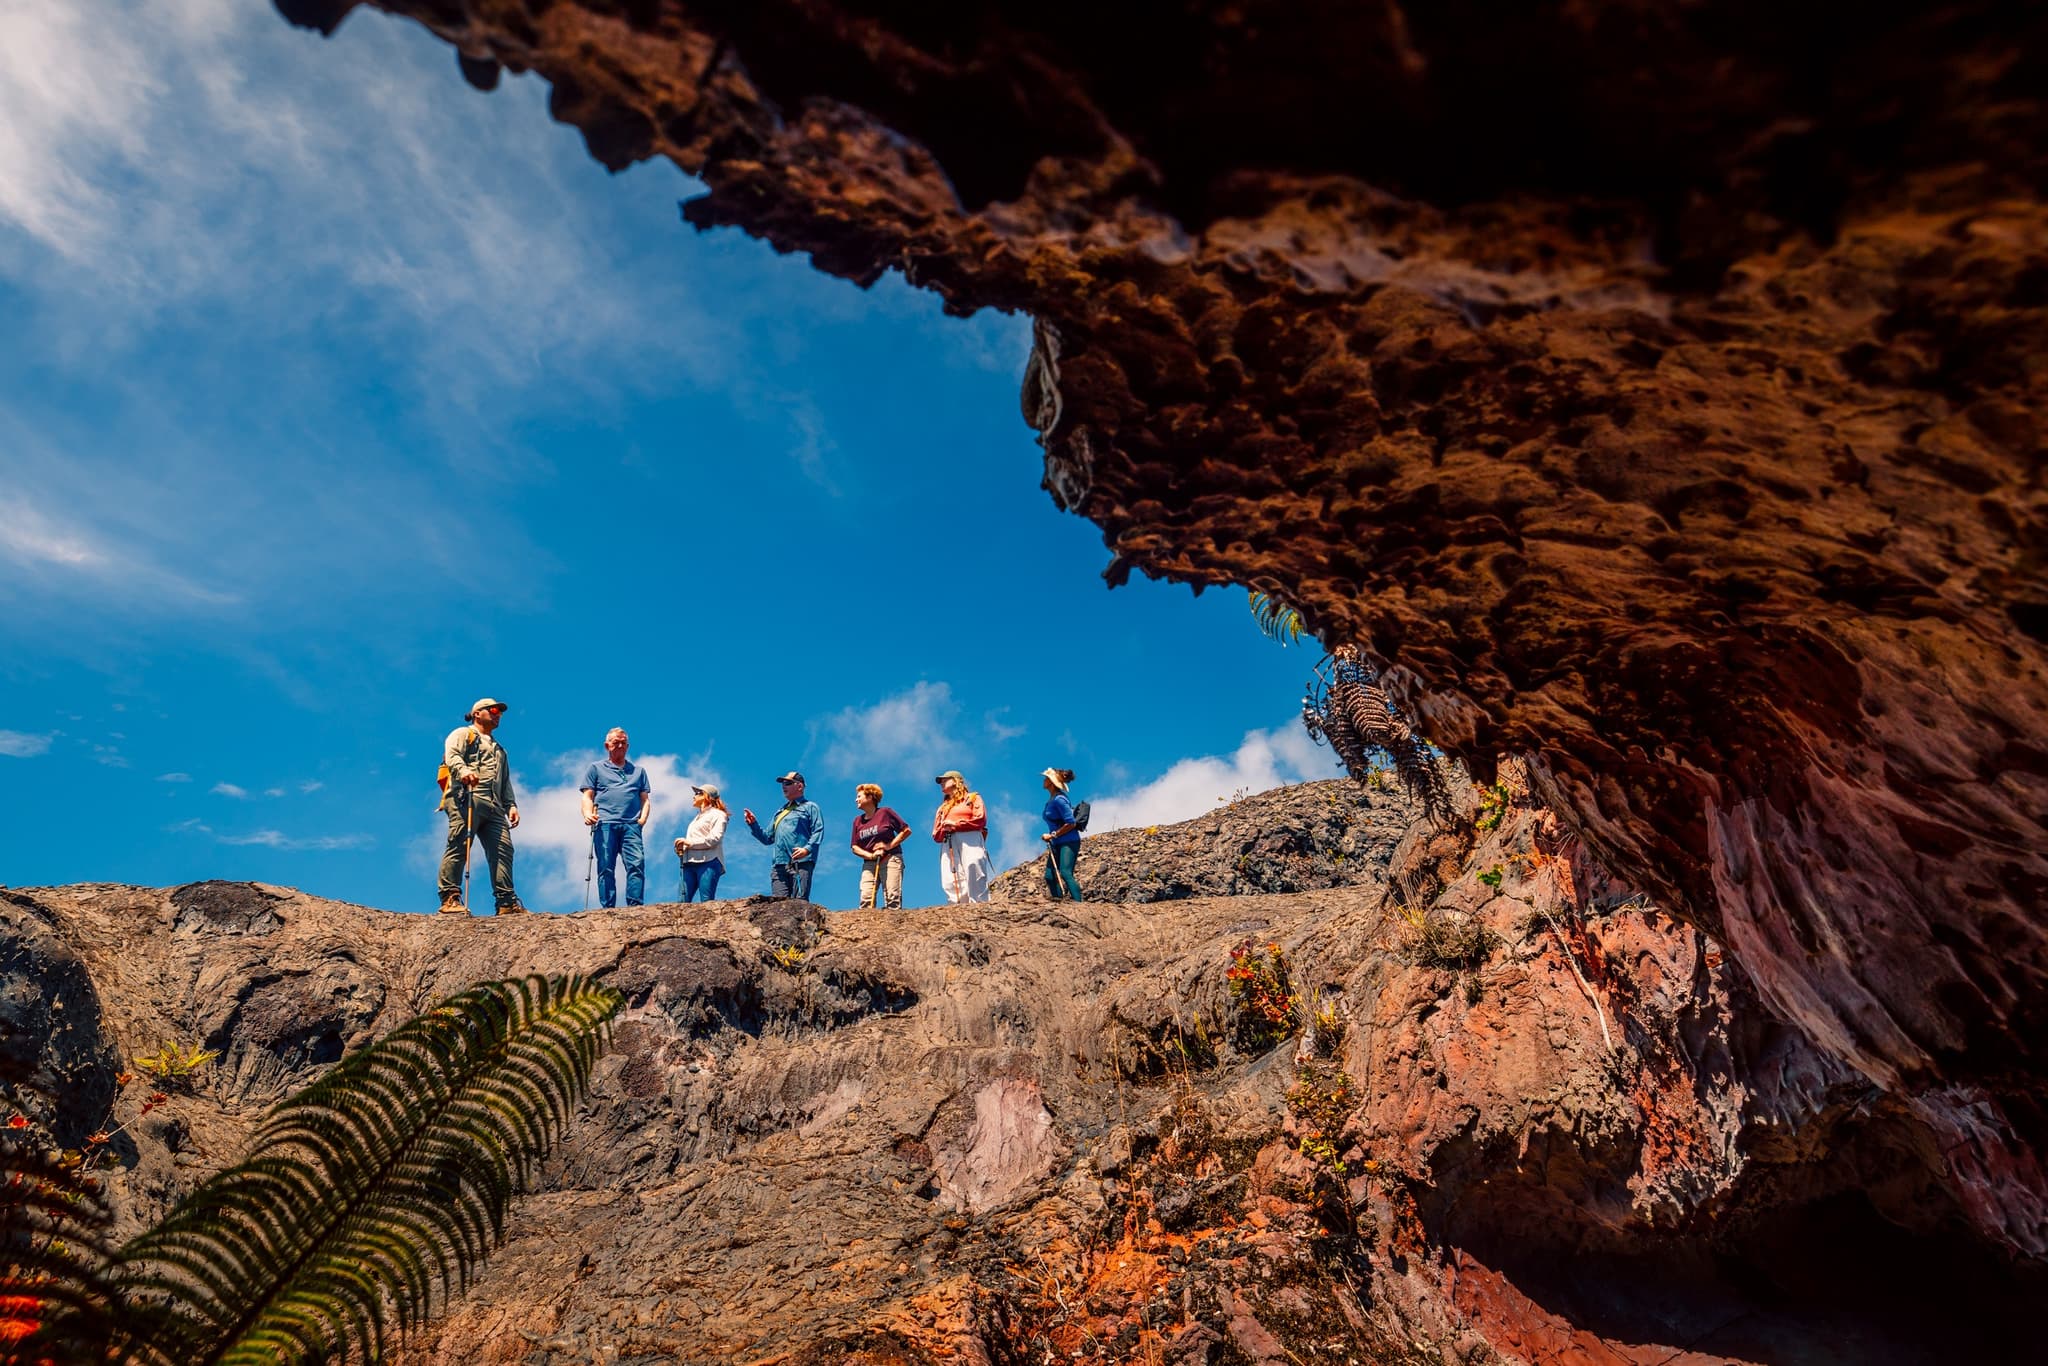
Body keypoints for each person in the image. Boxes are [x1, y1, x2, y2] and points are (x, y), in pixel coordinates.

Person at [437, 697, 527, 916]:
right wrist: (463, 771)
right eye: (494, 710)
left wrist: (511, 805)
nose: (498, 714)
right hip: (466, 796)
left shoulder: (500, 750)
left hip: (494, 804)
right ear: (477, 713)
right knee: (459, 842)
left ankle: (506, 902)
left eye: (500, 712)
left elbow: (505, 781)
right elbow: (452, 755)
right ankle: (450, 897)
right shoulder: (463, 734)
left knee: (503, 849)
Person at [580, 727, 652, 909]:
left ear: (628, 746)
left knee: (636, 864)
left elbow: (645, 799)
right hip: (605, 823)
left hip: (631, 825)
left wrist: (642, 820)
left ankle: (635, 906)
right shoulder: (595, 768)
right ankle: (608, 908)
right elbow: (587, 796)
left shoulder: (639, 771)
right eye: (616, 742)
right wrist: (587, 814)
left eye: (623, 743)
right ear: (607, 746)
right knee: (605, 866)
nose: (620, 746)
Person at [743, 771, 823, 901]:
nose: (783, 786)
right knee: (778, 906)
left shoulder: (810, 807)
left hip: (801, 863)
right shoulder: (780, 812)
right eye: (783, 783)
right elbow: (767, 838)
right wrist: (753, 824)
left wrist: (807, 849)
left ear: (800, 786)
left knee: (799, 903)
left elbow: (818, 830)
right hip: (779, 864)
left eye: (788, 783)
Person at [931, 769, 991, 904]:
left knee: (973, 865)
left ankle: (979, 903)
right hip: (949, 840)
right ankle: (958, 906)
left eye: (945, 779)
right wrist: (944, 828)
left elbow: (980, 819)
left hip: (970, 836)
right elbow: (936, 834)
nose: (941, 783)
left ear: (956, 780)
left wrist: (957, 824)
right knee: (951, 875)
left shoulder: (973, 798)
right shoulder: (942, 808)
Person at [850, 783, 911, 909]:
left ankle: (893, 926)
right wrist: (871, 855)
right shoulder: (857, 821)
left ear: (870, 797)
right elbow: (854, 847)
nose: (856, 799)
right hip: (869, 862)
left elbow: (906, 830)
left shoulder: (885, 813)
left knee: (892, 896)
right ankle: (867, 926)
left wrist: (888, 846)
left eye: (859, 796)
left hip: (891, 858)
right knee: (866, 897)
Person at [674, 783, 729, 902]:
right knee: (681, 902)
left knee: (706, 901)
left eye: (697, 793)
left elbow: (715, 838)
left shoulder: (719, 815)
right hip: (689, 863)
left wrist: (689, 843)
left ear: (706, 796)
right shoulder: (696, 818)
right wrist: (683, 848)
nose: (694, 796)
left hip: (709, 862)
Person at [1040, 766, 1084, 902]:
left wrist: (1053, 835)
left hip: (1068, 841)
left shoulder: (1060, 799)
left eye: (1046, 778)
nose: (1044, 780)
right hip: (1056, 842)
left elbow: (1071, 823)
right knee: (1049, 875)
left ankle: (1079, 904)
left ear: (1052, 783)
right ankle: (1059, 902)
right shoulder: (1052, 800)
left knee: (1065, 872)